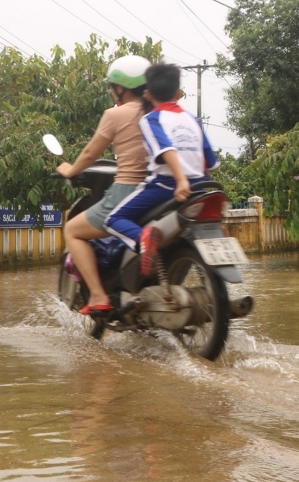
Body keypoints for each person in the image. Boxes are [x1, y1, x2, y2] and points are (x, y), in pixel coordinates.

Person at [105, 63, 218, 279]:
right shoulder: (193, 120)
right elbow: (211, 161)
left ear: (147, 94)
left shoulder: (151, 119)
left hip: (167, 185)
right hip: (200, 186)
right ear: (178, 93)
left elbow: (166, 148)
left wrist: (181, 180)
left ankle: (145, 238)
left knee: (114, 219)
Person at [58, 55, 151, 315]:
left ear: (120, 88)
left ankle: (98, 295)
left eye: (113, 87)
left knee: (73, 230)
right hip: (158, 190)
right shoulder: (158, 112)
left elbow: (90, 154)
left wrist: (70, 170)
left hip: (127, 191)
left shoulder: (115, 113)